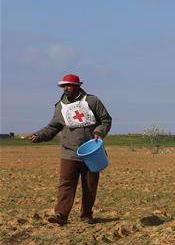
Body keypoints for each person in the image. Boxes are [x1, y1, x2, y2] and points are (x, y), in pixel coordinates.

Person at [28, 73, 112, 225]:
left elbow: (106, 120)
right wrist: (39, 136)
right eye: (63, 86)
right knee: (66, 184)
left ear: (77, 86)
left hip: (91, 153)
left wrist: (99, 132)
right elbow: (53, 127)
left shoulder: (92, 101)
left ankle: (86, 216)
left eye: (69, 85)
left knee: (90, 186)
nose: (66, 88)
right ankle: (61, 215)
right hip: (69, 153)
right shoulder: (60, 106)